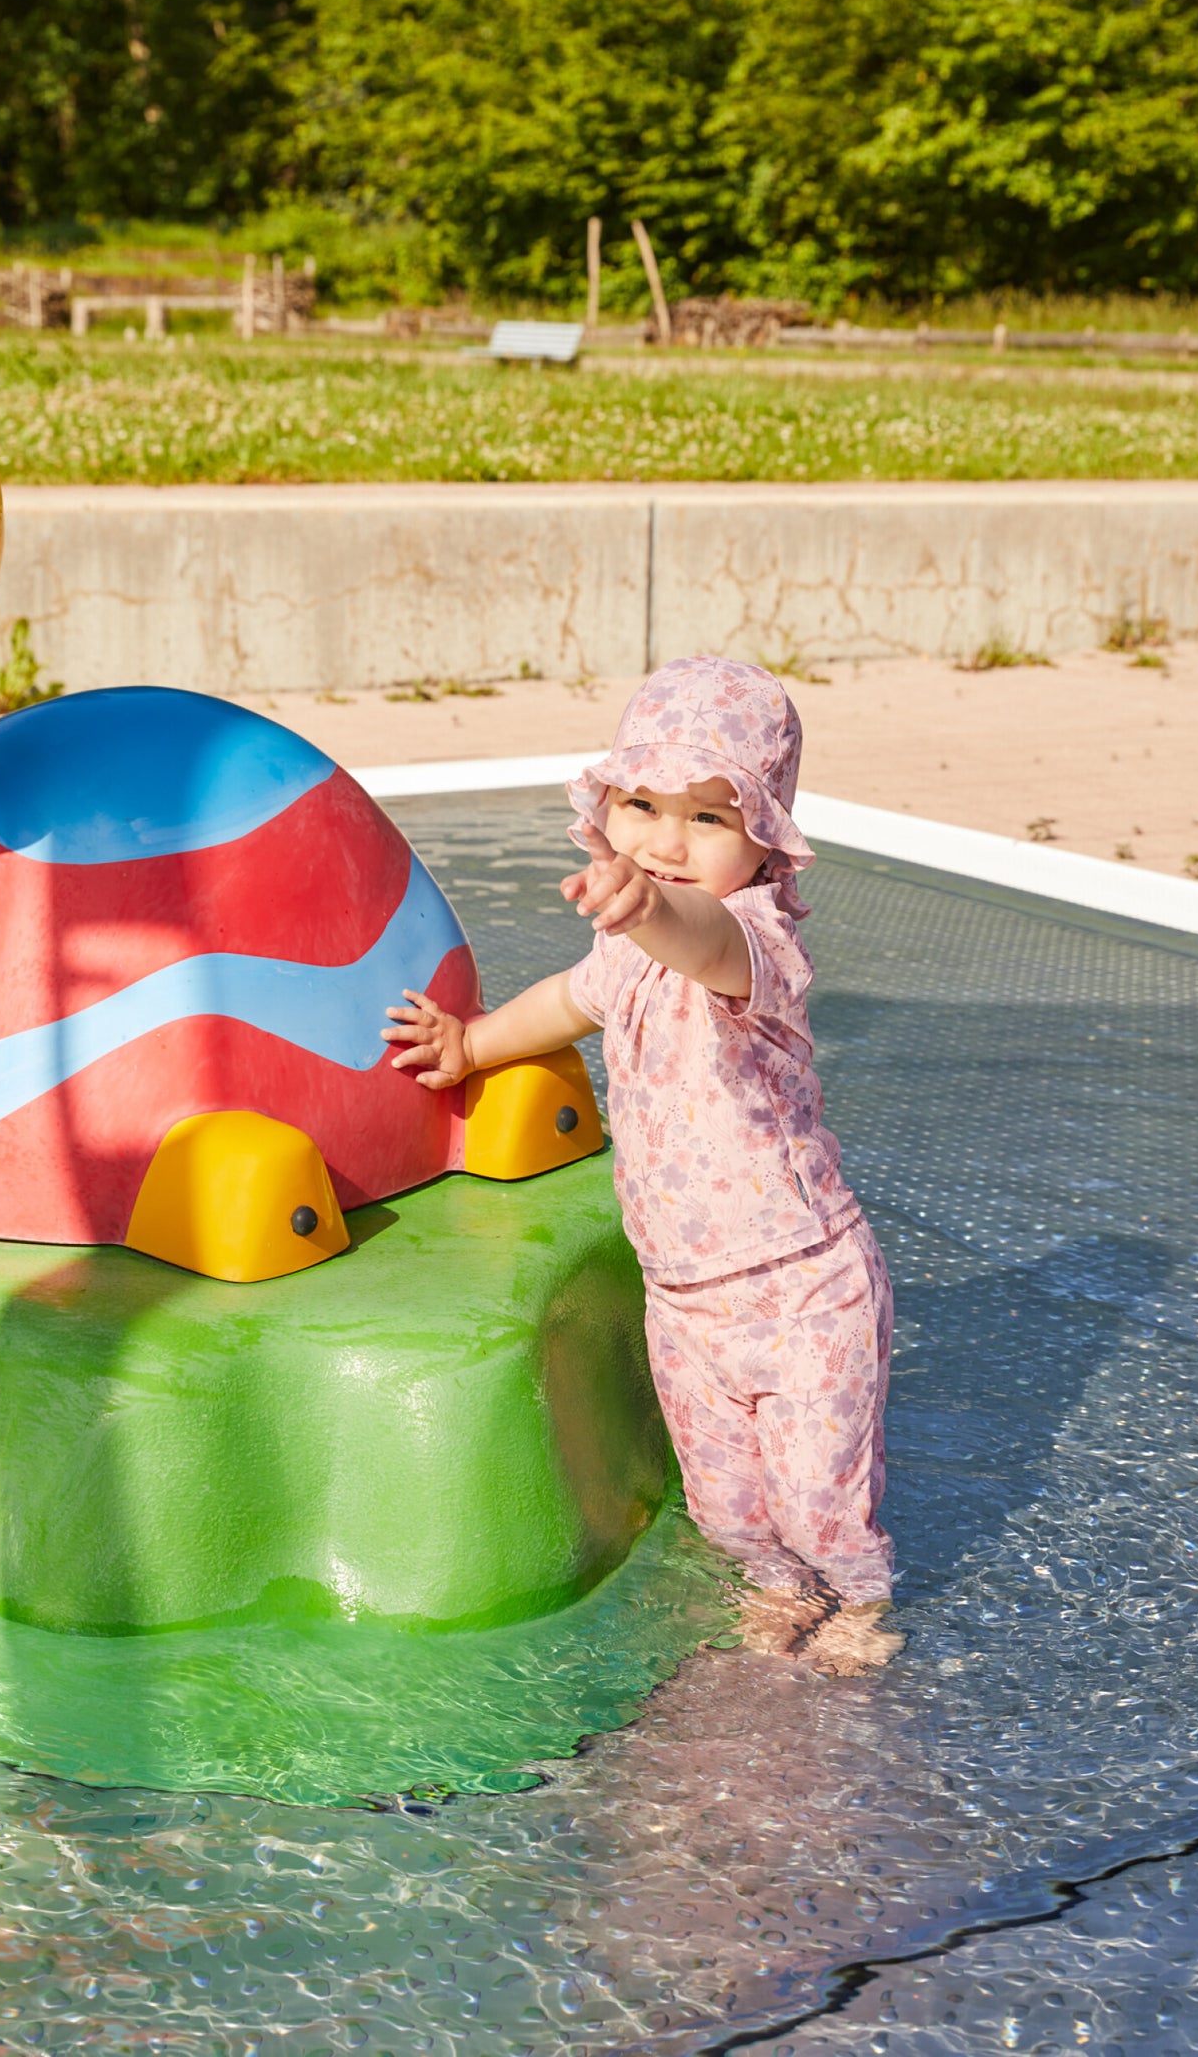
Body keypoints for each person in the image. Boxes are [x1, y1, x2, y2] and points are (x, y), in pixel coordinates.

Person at [381, 656, 900, 1673]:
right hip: (682, 1298)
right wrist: (471, 1043)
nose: (666, 840)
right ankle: (776, 1585)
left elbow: (696, 939)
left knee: (816, 1491)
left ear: (763, 838)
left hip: (800, 1287)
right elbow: (567, 999)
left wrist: (648, 913)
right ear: (605, 806)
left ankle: (856, 1599)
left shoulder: (754, 942)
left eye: (707, 818)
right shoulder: (622, 952)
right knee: (726, 1500)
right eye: (642, 804)